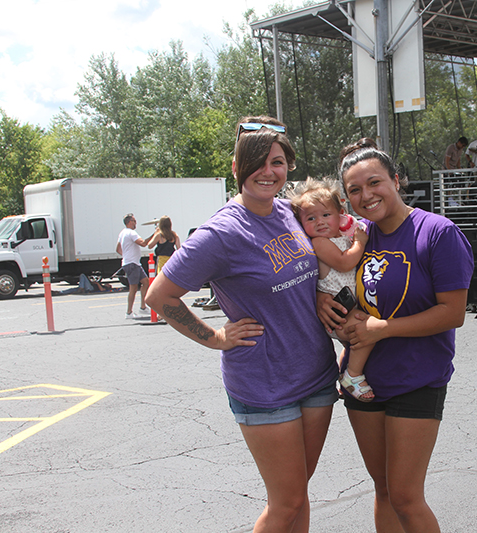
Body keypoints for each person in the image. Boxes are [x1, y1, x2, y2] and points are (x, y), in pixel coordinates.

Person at [146, 116, 339, 533]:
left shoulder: (291, 212)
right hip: (265, 384)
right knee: (285, 503)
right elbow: (159, 296)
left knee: (298, 496)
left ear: (288, 165)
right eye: (257, 163)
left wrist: (321, 295)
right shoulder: (220, 233)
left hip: (317, 374)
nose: (268, 172)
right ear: (236, 169)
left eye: (277, 162)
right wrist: (215, 337)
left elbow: (315, 265)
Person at [318, 139, 474, 532]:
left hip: (416, 378)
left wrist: (380, 330)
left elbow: (452, 313)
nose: (366, 195)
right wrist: (320, 301)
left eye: (374, 183)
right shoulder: (357, 237)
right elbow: (323, 274)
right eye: (354, 190)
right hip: (363, 383)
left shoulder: (437, 232)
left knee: (406, 495)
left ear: (396, 180)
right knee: (384, 489)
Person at [288, 177, 375, 402]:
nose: (320, 222)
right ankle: (352, 376)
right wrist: (360, 243)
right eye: (311, 218)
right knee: (368, 333)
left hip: (347, 307)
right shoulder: (319, 243)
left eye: (326, 215)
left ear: (340, 215)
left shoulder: (341, 238)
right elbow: (345, 262)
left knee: (358, 338)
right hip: (337, 312)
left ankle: (347, 370)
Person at [116, 213, 151, 319]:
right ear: (130, 222)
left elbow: (118, 249)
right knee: (133, 288)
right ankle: (129, 312)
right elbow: (143, 243)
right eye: (134, 221)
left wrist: (126, 256)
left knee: (145, 282)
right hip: (132, 264)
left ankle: (143, 307)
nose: (136, 223)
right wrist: (155, 235)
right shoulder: (131, 233)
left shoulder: (122, 233)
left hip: (134, 263)